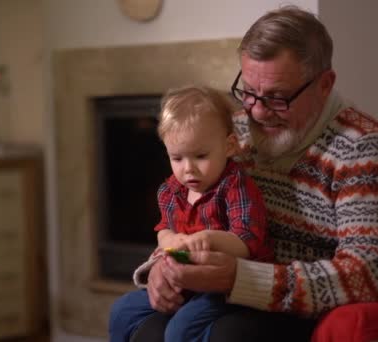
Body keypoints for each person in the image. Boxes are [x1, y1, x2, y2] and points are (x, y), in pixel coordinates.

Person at [109, 5, 378, 342]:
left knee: (222, 335)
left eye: (278, 98)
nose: (258, 112)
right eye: (249, 91)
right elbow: (191, 214)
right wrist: (164, 265)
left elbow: (371, 275)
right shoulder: (234, 134)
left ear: (325, 84)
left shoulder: (363, 150)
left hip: (302, 306)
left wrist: (241, 279)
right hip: (220, 290)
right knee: (142, 325)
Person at [109, 85, 272, 342]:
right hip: (186, 281)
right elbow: (163, 228)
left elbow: (247, 241)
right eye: (177, 158)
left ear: (229, 146)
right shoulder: (170, 191)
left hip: (226, 285)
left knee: (181, 329)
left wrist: (209, 239)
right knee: (122, 310)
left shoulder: (235, 185)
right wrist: (169, 241)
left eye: (200, 156)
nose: (188, 170)